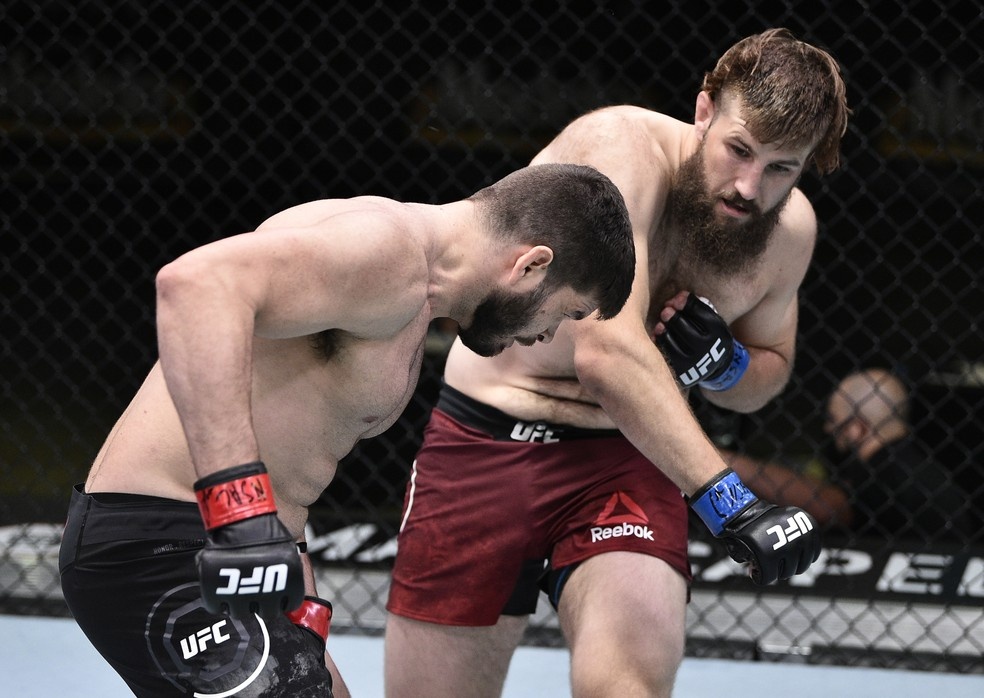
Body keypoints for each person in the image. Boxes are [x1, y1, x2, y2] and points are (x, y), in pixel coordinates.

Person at [58, 162, 638, 698]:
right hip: (156, 542)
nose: (548, 336)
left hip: (223, 543)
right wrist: (239, 511)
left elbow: (288, 471)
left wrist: (291, 578)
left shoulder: (414, 283)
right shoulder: (388, 252)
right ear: (531, 265)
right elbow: (194, 286)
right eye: (565, 312)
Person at [386, 28, 848, 697]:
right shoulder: (618, 148)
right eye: (740, 150)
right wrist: (735, 507)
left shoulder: (788, 231)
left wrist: (724, 365)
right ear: (704, 111)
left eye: (783, 168)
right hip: (488, 435)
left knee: (626, 687)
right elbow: (605, 351)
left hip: (628, 456)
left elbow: (765, 377)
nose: (750, 187)